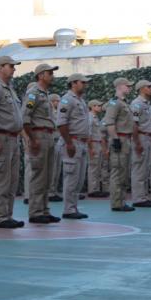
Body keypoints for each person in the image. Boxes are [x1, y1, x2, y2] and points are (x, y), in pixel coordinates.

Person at [0, 56, 25, 228]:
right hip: (1, 137)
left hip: (13, 138)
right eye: (11, 66)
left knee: (11, 180)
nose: (14, 69)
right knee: (1, 178)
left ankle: (7, 215)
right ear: (0, 68)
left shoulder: (9, 89)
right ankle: (0, 217)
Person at [22, 64, 59, 224]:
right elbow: (25, 118)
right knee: (38, 176)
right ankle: (36, 212)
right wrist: (32, 138)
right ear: (41, 75)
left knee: (47, 176)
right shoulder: (33, 94)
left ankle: (44, 209)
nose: (52, 76)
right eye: (50, 73)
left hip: (48, 135)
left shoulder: (45, 93)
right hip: (39, 135)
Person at [56, 74, 91, 219]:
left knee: (79, 178)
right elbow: (61, 123)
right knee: (71, 177)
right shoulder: (67, 99)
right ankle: (68, 209)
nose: (85, 85)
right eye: (82, 82)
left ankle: (73, 207)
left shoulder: (80, 101)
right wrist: (69, 142)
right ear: (73, 84)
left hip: (81, 143)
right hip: (73, 142)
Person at [104, 77, 135, 212]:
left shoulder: (123, 103)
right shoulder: (114, 103)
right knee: (117, 172)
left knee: (123, 172)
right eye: (127, 85)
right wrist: (115, 139)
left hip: (125, 139)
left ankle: (121, 201)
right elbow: (109, 123)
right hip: (120, 139)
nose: (129, 87)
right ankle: (117, 203)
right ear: (120, 86)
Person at [130, 80, 151, 208]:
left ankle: (144, 195)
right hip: (140, 137)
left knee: (145, 168)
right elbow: (134, 124)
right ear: (142, 89)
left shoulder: (146, 104)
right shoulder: (136, 104)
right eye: (149, 87)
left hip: (146, 137)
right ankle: (138, 198)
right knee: (139, 169)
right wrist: (137, 143)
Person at [87, 100, 109, 198]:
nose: (100, 107)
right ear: (92, 107)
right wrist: (91, 148)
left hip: (98, 143)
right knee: (93, 167)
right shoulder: (90, 117)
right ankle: (92, 190)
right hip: (93, 143)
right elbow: (89, 134)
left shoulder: (96, 118)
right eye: (98, 106)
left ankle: (96, 188)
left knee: (98, 167)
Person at [48, 94, 64, 203]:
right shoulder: (49, 112)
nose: (58, 103)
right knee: (52, 167)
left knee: (57, 168)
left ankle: (54, 190)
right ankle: (50, 192)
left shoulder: (58, 112)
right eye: (57, 101)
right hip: (52, 140)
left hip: (58, 140)